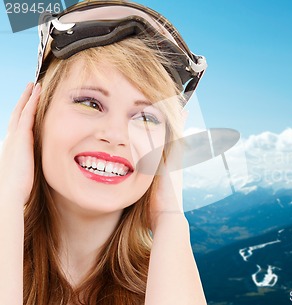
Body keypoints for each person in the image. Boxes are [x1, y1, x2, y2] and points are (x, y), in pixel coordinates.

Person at [0, 1, 207, 304]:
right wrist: (7, 196)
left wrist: (171, 219)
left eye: (146, 117)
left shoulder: (170, 277)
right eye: (90, 102)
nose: (115, 136)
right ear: (36, 114)